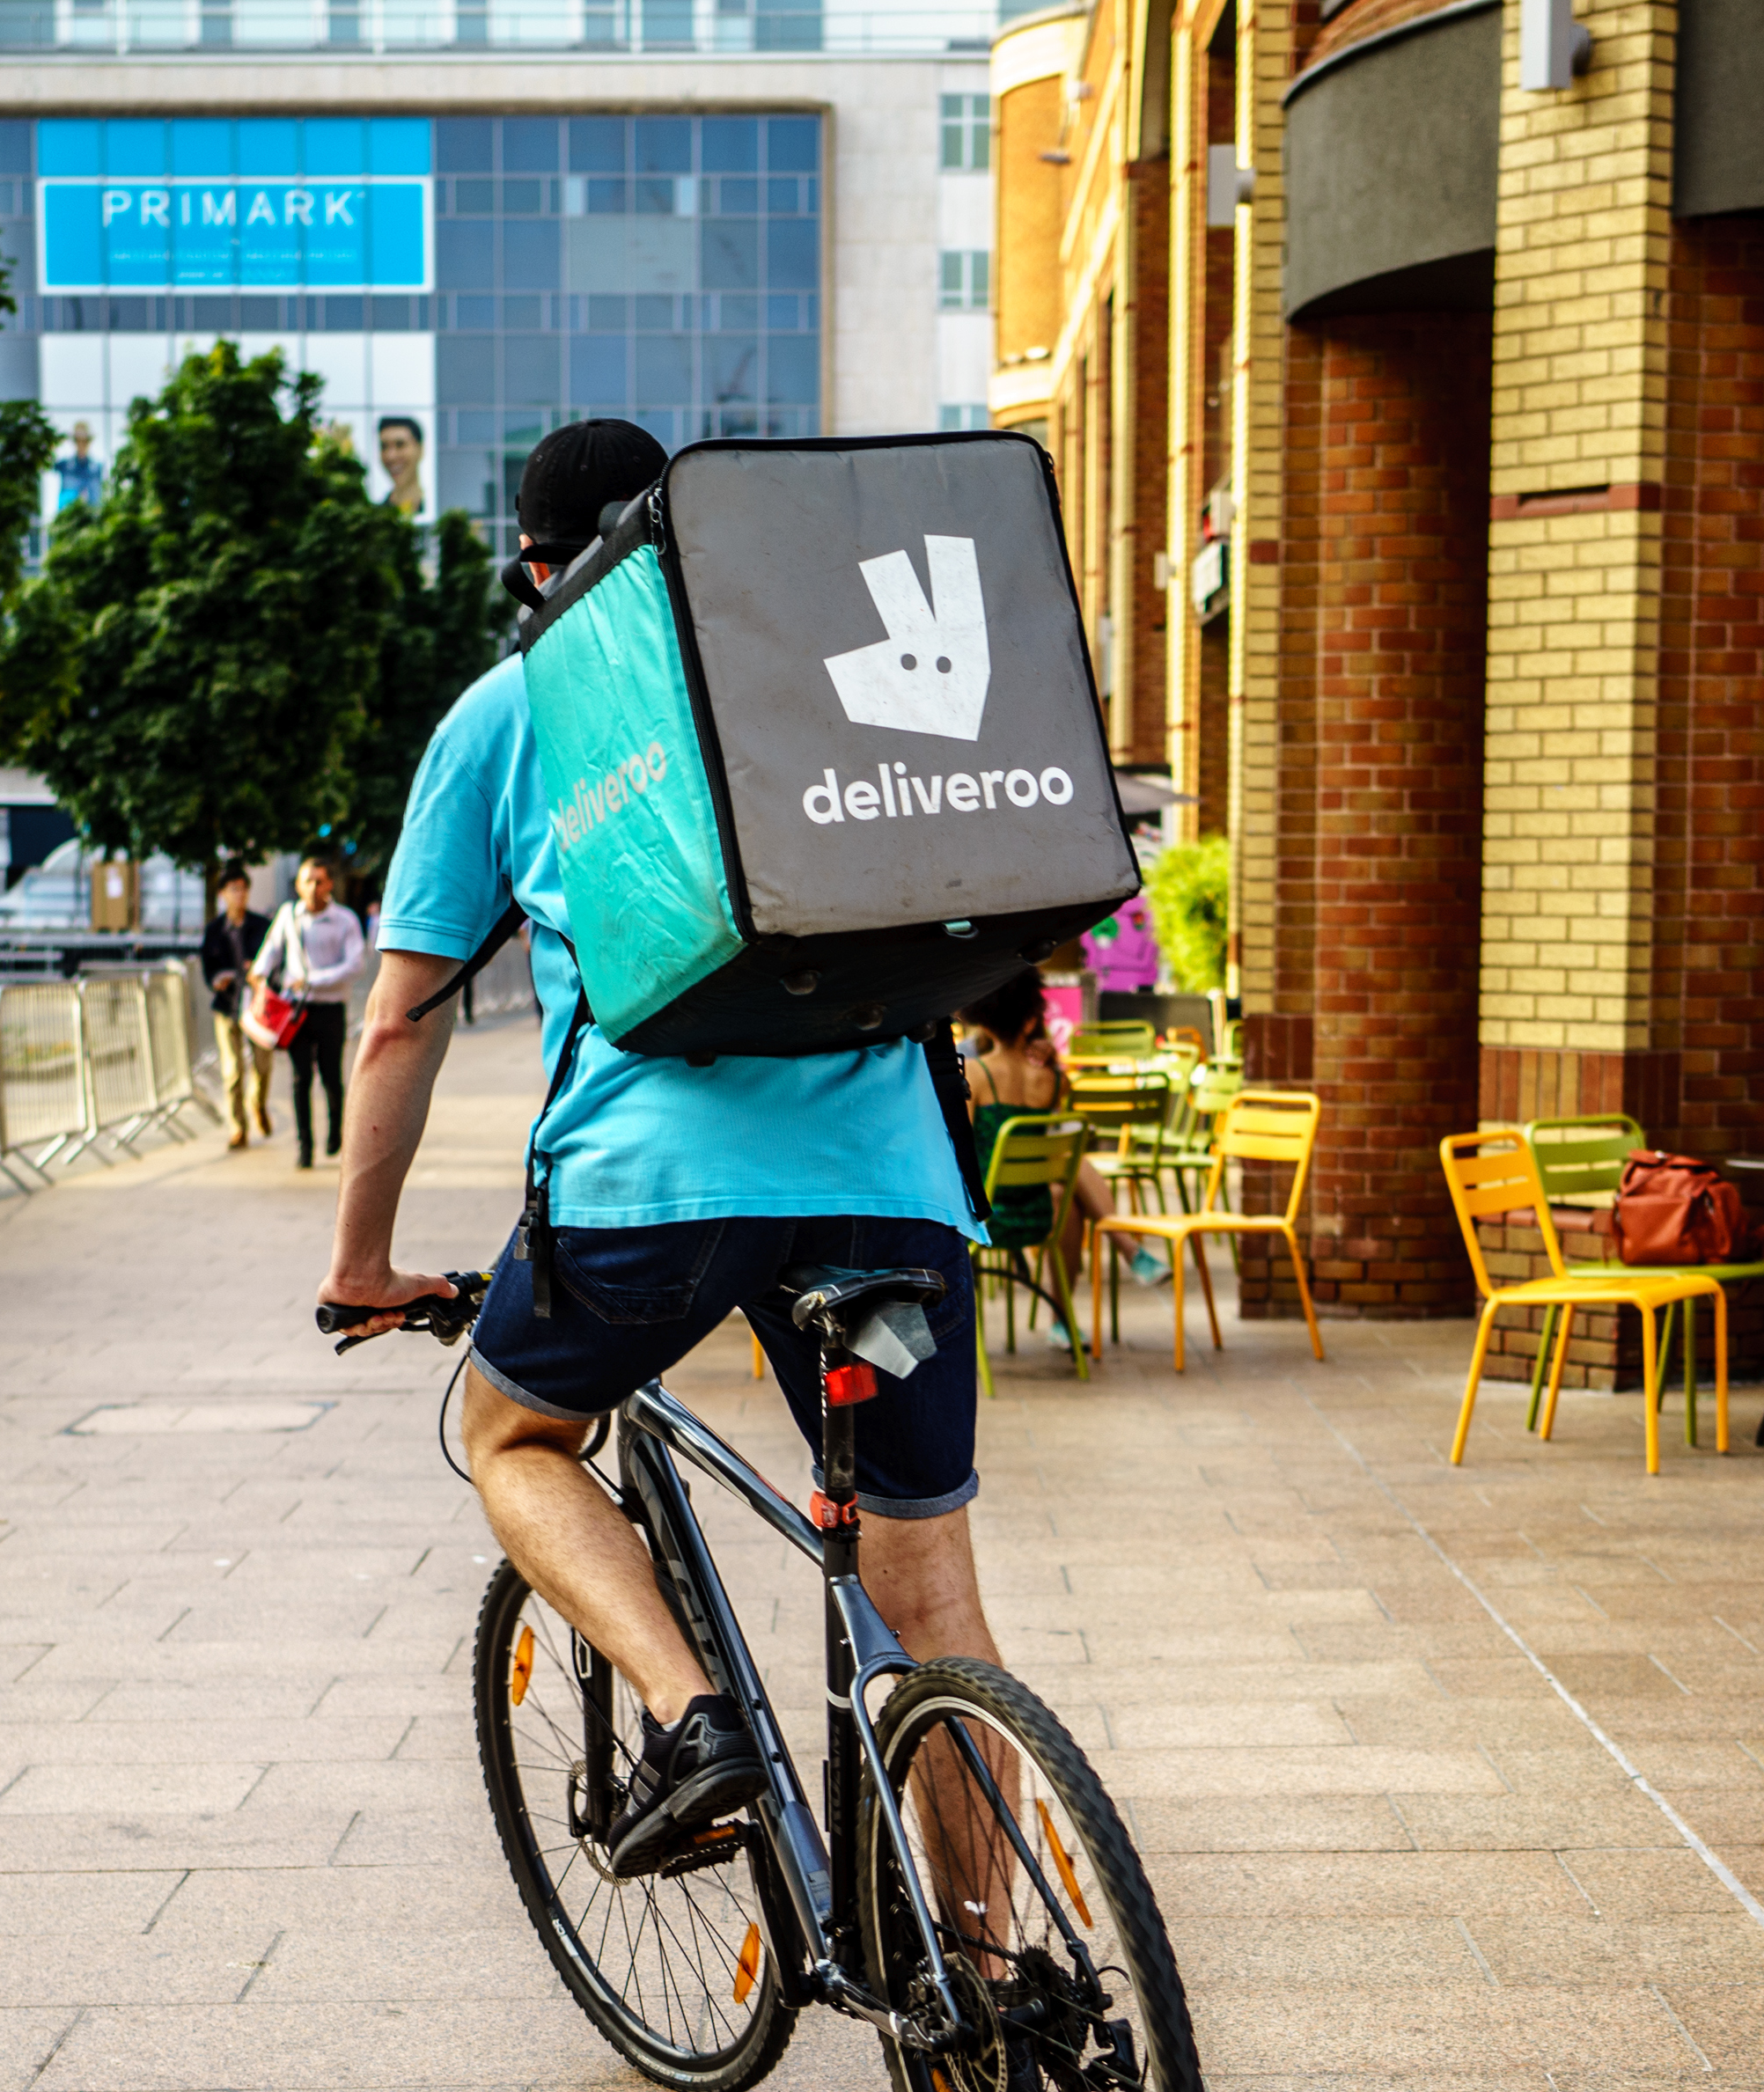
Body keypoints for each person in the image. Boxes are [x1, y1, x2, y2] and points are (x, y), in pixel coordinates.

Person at [313, 417, 1005, 1880]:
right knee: (932, 1597)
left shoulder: (511, 712)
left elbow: (398, 1025)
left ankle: (695, 1718)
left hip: (649, 1205)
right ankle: (991, 2001)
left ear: (536, 569)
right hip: (890, 1191)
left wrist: (363, 1263)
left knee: (510, 1433)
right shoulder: (828, 681)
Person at [957, 969, 1160, 1286]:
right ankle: (1069, 1311)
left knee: (1065, 1178)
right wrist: (1049, 1063)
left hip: (986, 1213)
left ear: (983, 1020)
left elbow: (961, 1143)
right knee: (1065, 1188)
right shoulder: (1055, 1082)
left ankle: (1125, 1252)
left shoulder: (972, 1072)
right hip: (1036, 1210)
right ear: (1030, 1021)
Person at [257, 853, 368, 1169]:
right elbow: (272, 949)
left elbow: (354, 965)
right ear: (298, 884)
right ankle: (304, 1146)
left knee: (331, 1076)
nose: (314, 887)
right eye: (308, 881)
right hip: (297, 1011)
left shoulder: (345, 920)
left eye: (320, 881)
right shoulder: (288, 915)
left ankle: (336, 1132)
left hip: (331, 1009)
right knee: (300, 1077)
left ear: (329, 884)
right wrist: (259, 973)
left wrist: (313, 981)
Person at [199, 863, 273, 1149]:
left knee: (263, 1066)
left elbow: (273, 959)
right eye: (233, 890)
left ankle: (258, 1104)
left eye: (243, 889)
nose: (239, 895)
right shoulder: (214, 930)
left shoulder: (260, 925)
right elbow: (208, 967)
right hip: (227, 1006)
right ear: (222, 894)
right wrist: (218, 979)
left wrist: (257, 970)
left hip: (257, 1007)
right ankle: (238, 1128)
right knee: (232, 1070)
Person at [376, 415, 426, 517]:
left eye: (400, 445)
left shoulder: (441, 511)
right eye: (384, 447)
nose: (391, 456)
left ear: (420, 449)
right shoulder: (374, 518)